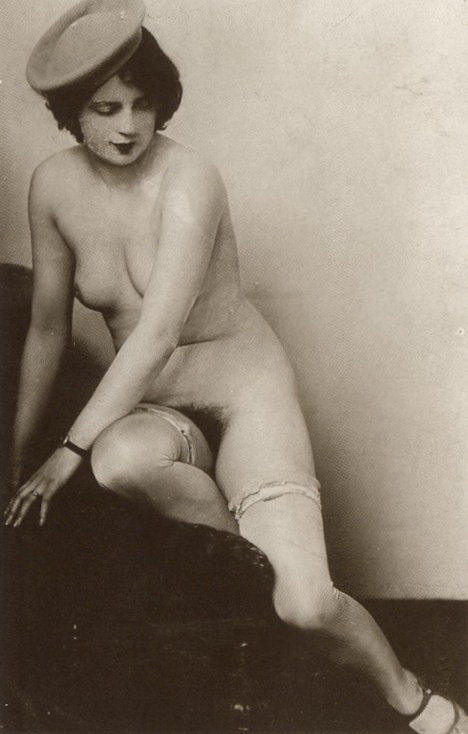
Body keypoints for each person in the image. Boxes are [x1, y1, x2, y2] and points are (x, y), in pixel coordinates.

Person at [4, 2, 466, 732]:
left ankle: (408, 693)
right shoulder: (53, 187)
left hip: (243, 395)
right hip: (155, 409)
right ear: (71, 113)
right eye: (105, 108)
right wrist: (18, 457)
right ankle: (254, 581)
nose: (128, 125)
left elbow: (158, 333)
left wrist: (65, 451)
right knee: (118, 462)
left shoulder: (191, 178)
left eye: (143, 103)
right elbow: (46, 329)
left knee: (305, 603)